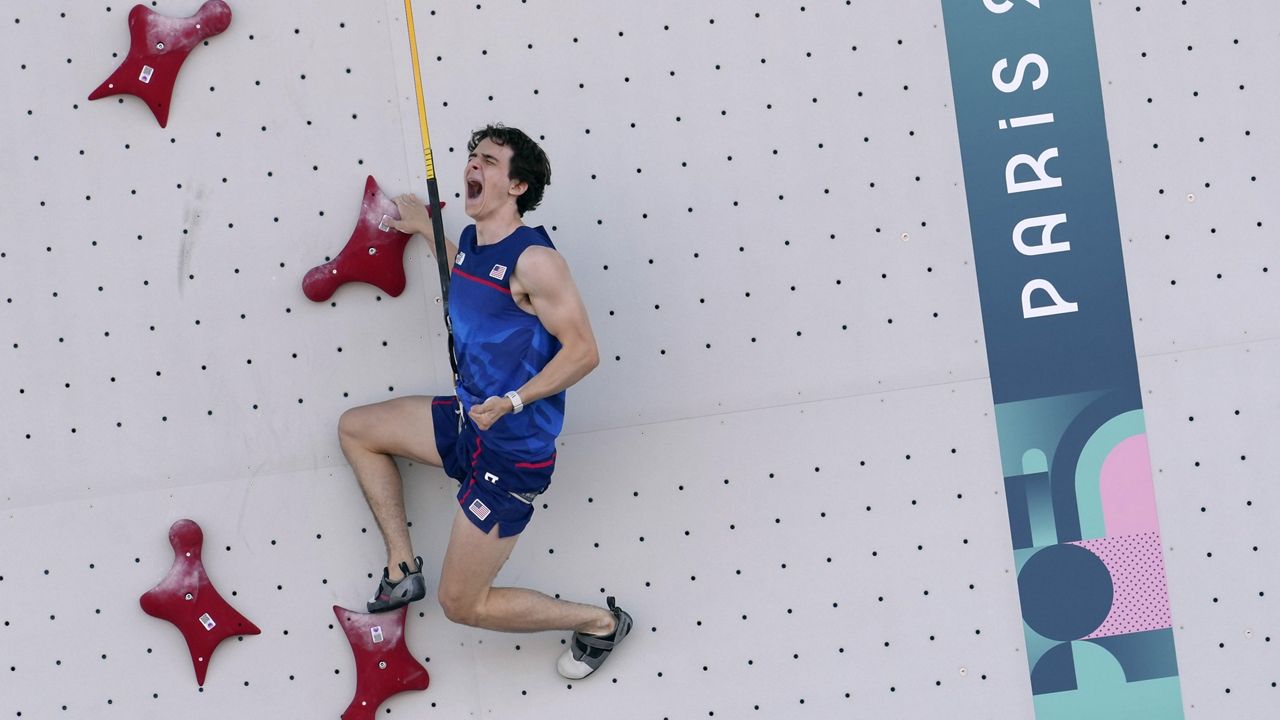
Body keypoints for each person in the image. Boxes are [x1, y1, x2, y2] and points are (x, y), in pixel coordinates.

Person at [336, 124, 630, 679]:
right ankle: (403, 565)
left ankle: (600, 622)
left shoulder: (535, 261)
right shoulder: (474, 245)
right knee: (357, 429)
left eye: (489, 161)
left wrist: (513, 401)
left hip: (510, 453)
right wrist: (428, 227)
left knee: (461, 604)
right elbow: (466, 278)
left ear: (517, 185)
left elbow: (584, 352)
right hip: (471, 423)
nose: (473, 166)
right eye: (472, 157)